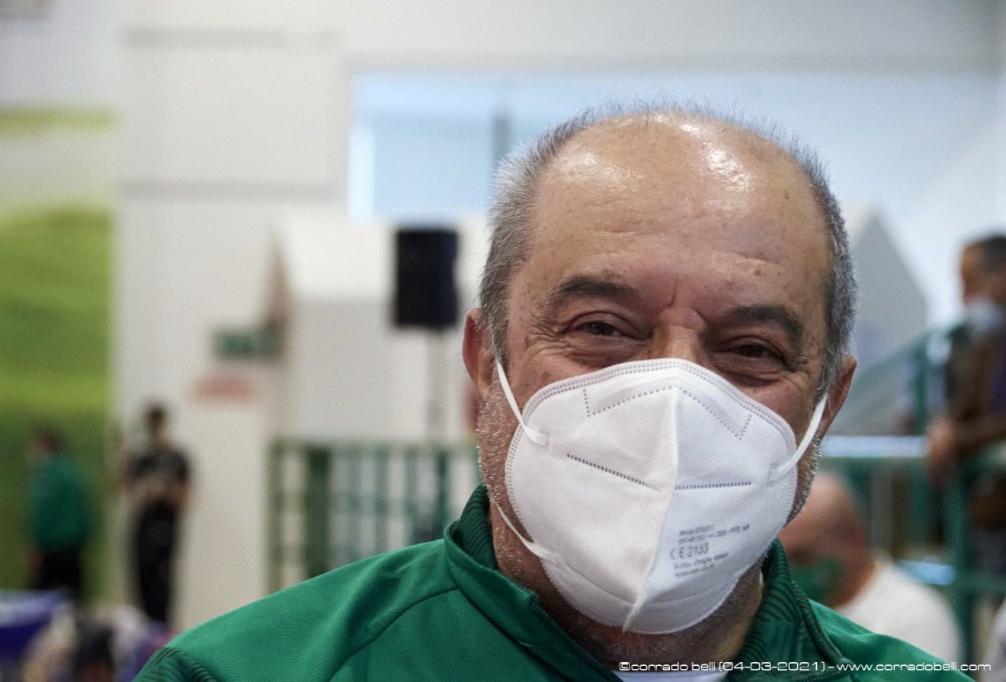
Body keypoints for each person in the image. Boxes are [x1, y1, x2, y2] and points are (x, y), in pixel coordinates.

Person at [136, 102, 966, 680]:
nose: (672, 400)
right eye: (601, 328)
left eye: (751, 349)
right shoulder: (246, 675)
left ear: (826, 404)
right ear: (483, 360)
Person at [779, 471, 961, 662]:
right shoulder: (785, 609)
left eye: (801, 556)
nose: (788, 570)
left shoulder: (913, 615)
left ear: (851, 539)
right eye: (780, 556)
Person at [926, 233, 1006, 575]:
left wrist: (959, 439)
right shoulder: (990, 342)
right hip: (989, 513)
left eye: (971, 281)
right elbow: (964, 404)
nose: (964, 296)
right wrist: (942, 427)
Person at [122, 403, 192, 625]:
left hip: (164, 532)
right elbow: (124, 488)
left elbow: (185, 499)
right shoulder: (141, 458)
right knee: (140, 590)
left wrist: (163, 490)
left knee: (162, 592)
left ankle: (163, 635)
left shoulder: (176, 458)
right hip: (142, 530)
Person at [26, 427, 92, 600]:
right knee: (73, 596)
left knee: (41, 598)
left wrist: (37, 545)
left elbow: (43, 513)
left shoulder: (47, 476)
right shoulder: (74, 472)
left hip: (52, 547)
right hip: (73, 546)